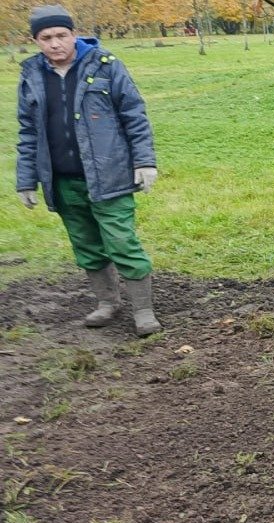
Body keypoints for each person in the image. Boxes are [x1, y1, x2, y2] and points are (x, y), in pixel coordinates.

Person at [16, 4, 162, 337]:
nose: (55, 43)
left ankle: (143, 310)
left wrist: (145, 161)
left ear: (74, 34)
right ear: (36, 40)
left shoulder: (106, 66)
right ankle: (108, 302)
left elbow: (134, 115)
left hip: (109, 175)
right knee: (85, 244)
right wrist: (26, 180)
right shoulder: (31, 75)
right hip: (63, 180)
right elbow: (28, 131)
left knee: (121, 242)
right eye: (46, 37)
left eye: (61, 35)